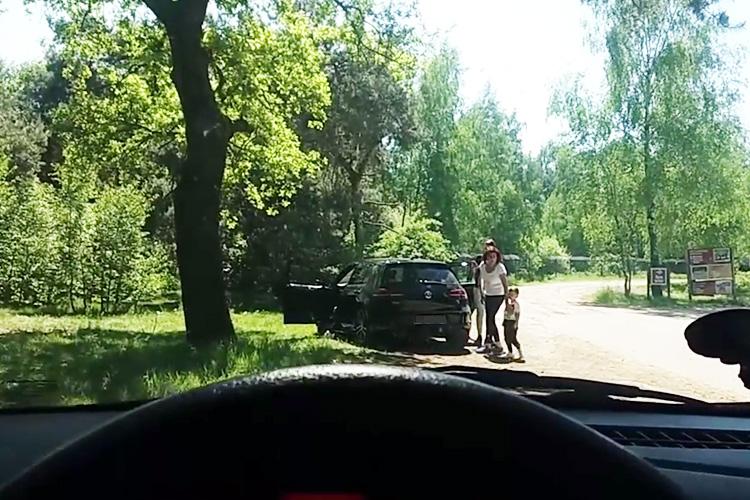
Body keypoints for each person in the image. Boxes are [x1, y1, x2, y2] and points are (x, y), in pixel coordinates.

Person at [476, 246, 508, 354]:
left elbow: (505, 283)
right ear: (486, 257)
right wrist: (481, 292)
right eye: (490, 257)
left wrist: (507, 299)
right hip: (488, 294)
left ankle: (498, 343)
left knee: (491, 318)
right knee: (488, 319)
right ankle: (488, 344)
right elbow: (480, 280)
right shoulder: (482, 266)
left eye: (494, 257)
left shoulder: (500, 267)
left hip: (499, 294)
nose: (492, 259)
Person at [503, 287, 523, 362]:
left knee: (513, 339)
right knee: (506, 338)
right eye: (510, 294)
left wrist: (516, 323)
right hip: (507, 321)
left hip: (512, 322)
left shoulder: (515, 304)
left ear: (516, 295)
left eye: (513, 294)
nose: (511, 296)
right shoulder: (509, 302)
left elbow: (515, 313)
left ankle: (520, 353)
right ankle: (510, 352)